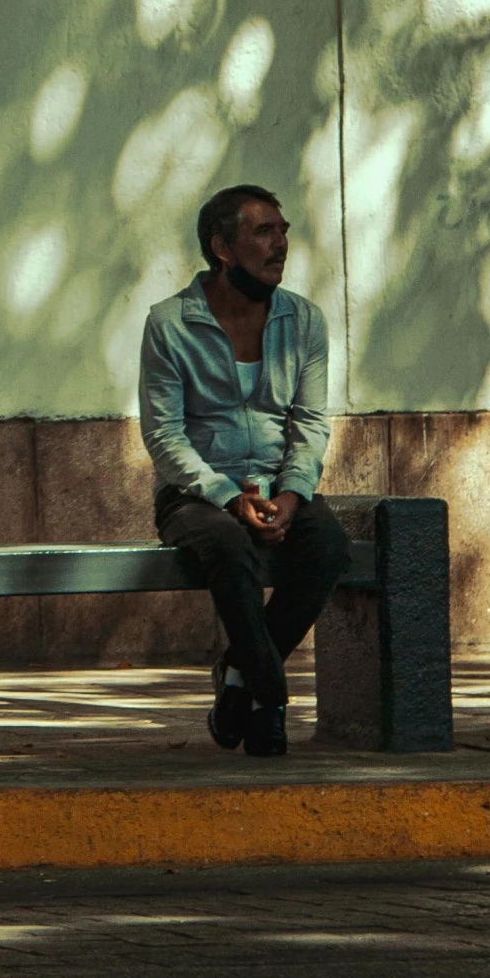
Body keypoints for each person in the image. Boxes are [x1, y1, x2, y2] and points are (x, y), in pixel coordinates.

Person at [138, 183, 350, 757]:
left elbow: (309, 421)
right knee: (229, 547)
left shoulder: (303, 320)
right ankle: (272, 697)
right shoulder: (170, 323)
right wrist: (229, 496)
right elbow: (163, 434)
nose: (280, 244)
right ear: (223, 248)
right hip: (196, 497)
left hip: (281, 489)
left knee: (329, 546)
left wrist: (294, 494)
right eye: (264, 232)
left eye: (282, 231)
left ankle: (240, 677)